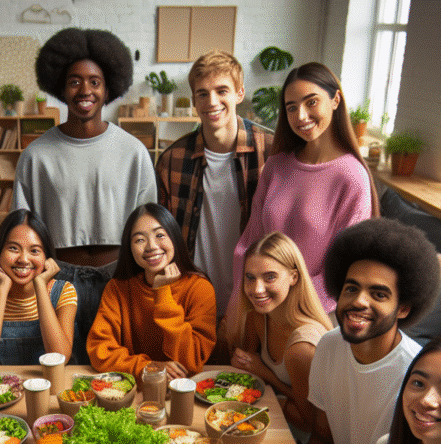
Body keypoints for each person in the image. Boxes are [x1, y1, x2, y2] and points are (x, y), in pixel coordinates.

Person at [13, 27, 157, 364]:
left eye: (95, 82)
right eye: (75, 81)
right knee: (62, 372)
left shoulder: (133, 152)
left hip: (119, 277)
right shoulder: (36, 156)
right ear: (61, 88)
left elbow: (150, 225)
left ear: (108, 89)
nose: (85, 90)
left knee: (118, 371)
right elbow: (21, 228)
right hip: (58, 279)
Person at [304, 218, 440, 444]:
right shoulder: (329, 346)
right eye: (351, 288)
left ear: (403, 308)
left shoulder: (419, 380)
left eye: (378, 294)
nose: (359, 301)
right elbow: (323, 439)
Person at [232, 62, 378, 313]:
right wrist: (243, 301)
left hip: (313, 313)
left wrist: (291, 308)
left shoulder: (352, 177)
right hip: (259, 304)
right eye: (291, 107)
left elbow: (344, 265)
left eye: (311, 102)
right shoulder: (276, 166)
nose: (300, 116)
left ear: (335, 100)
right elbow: (249, 242)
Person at [156, 49, 268, 317]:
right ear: (194, 100)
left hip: (255, 301)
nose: (212, 101)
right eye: (202, 94)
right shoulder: (172, 160)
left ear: (239, 93)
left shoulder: (270, 152)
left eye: (222, 91)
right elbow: (162, 237)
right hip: (191, 299)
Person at [87, 202, 217, 380]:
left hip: (185, 388)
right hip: (134, 387)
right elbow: (99, 351)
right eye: (140, 240)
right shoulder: (117, 288)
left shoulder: (199, 288)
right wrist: (149, 368)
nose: (151, 246)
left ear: (174, 238)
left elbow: (191, 361)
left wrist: (162, 294)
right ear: (129, 247)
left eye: (160, 235)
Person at [224, 231, 332, 432]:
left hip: (300, 434)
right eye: (250, 277)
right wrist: (241, 361)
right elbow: (248, 375)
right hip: (269, 418)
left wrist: (267, 377)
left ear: (294, 277)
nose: (257, 289)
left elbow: (312, 422)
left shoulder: (302, 347)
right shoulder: (258, 316)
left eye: (270, 277)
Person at [0, 208, 76, 369]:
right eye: (13, 248)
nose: (23, 259)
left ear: (46, 257)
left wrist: (40, 285)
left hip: (47, 384)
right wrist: (3, 288)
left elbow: (60, 358)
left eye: (34, 251)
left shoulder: (64, 292)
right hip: (0, 385)